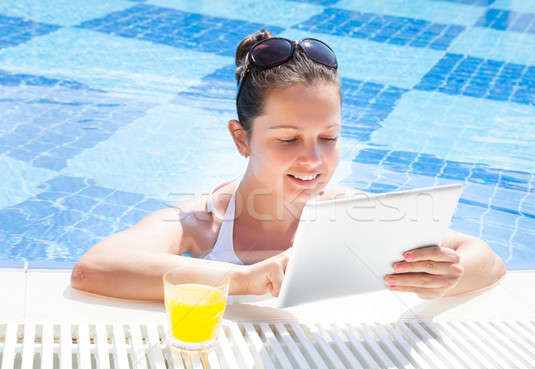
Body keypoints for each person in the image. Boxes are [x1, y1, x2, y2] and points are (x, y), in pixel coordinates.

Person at [71, 30, 506, 302]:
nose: (313, 160)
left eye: (329, 138)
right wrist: (242, 280)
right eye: (287, 139)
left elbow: (486, 259)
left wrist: (448, 275)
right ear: (241, 139)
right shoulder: (203, 224)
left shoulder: (352, 214)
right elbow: (94, 269)